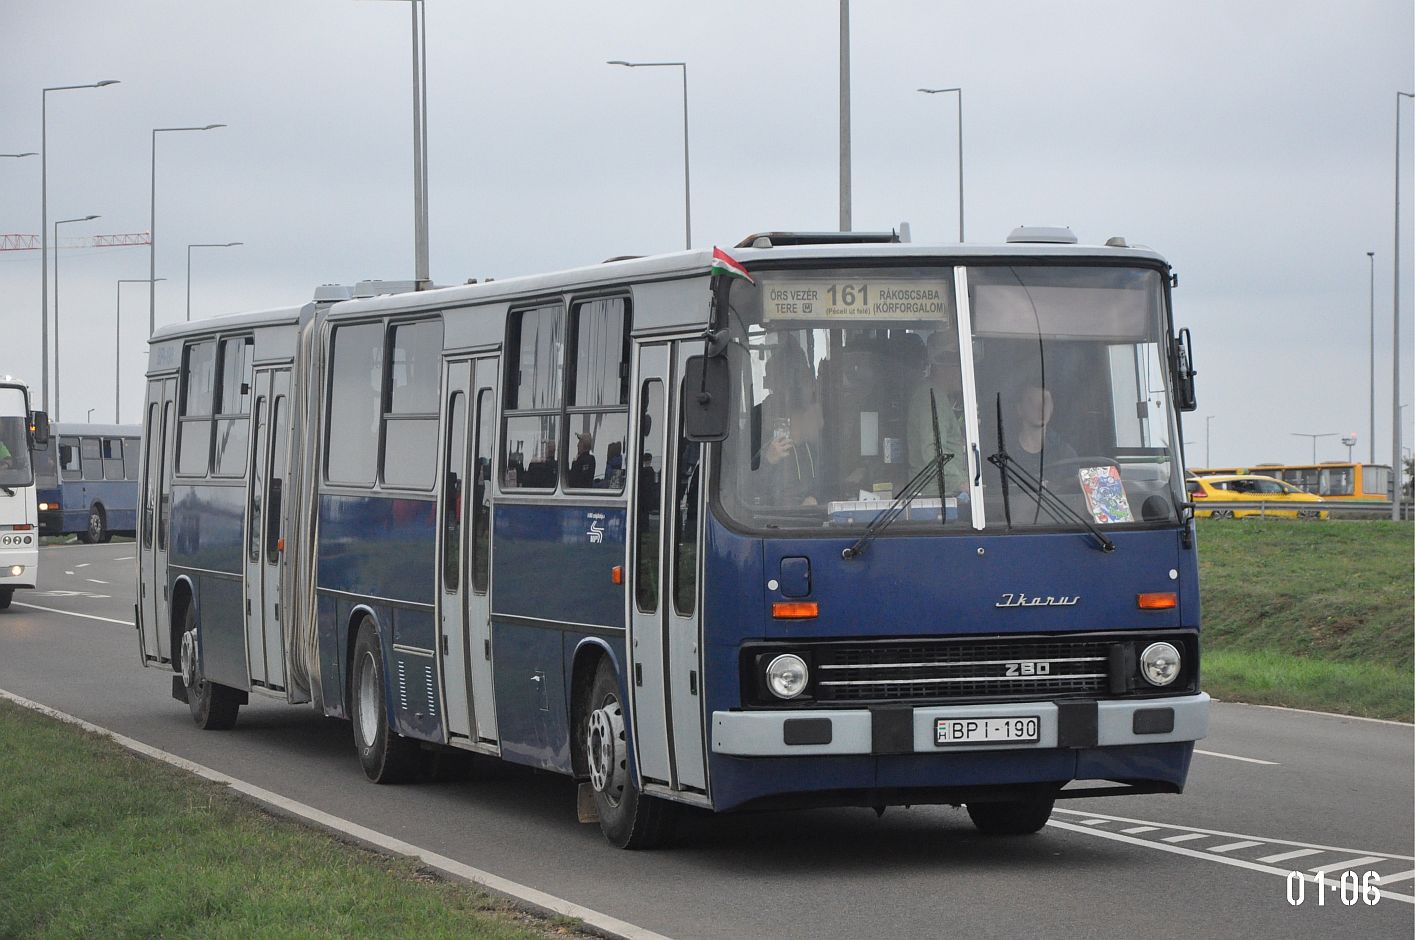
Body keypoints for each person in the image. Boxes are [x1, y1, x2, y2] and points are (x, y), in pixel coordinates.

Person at [754, 341, 822, 505]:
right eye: (781, 378)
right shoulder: (757, 417)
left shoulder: (813, 414)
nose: (790, 386)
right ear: (769, 381)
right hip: (774, 523)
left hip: (817, 520)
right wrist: (767, 459)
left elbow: (830, 477)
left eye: (799, 376)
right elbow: (740, 487)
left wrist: (815, 497)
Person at [906, 331, 967, 493]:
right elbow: (934, 450)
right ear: (942, 366)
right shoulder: (932, 397)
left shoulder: (938, 396)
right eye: (958, 363)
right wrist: (961, 484)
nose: (964, 371)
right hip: (938, 498)